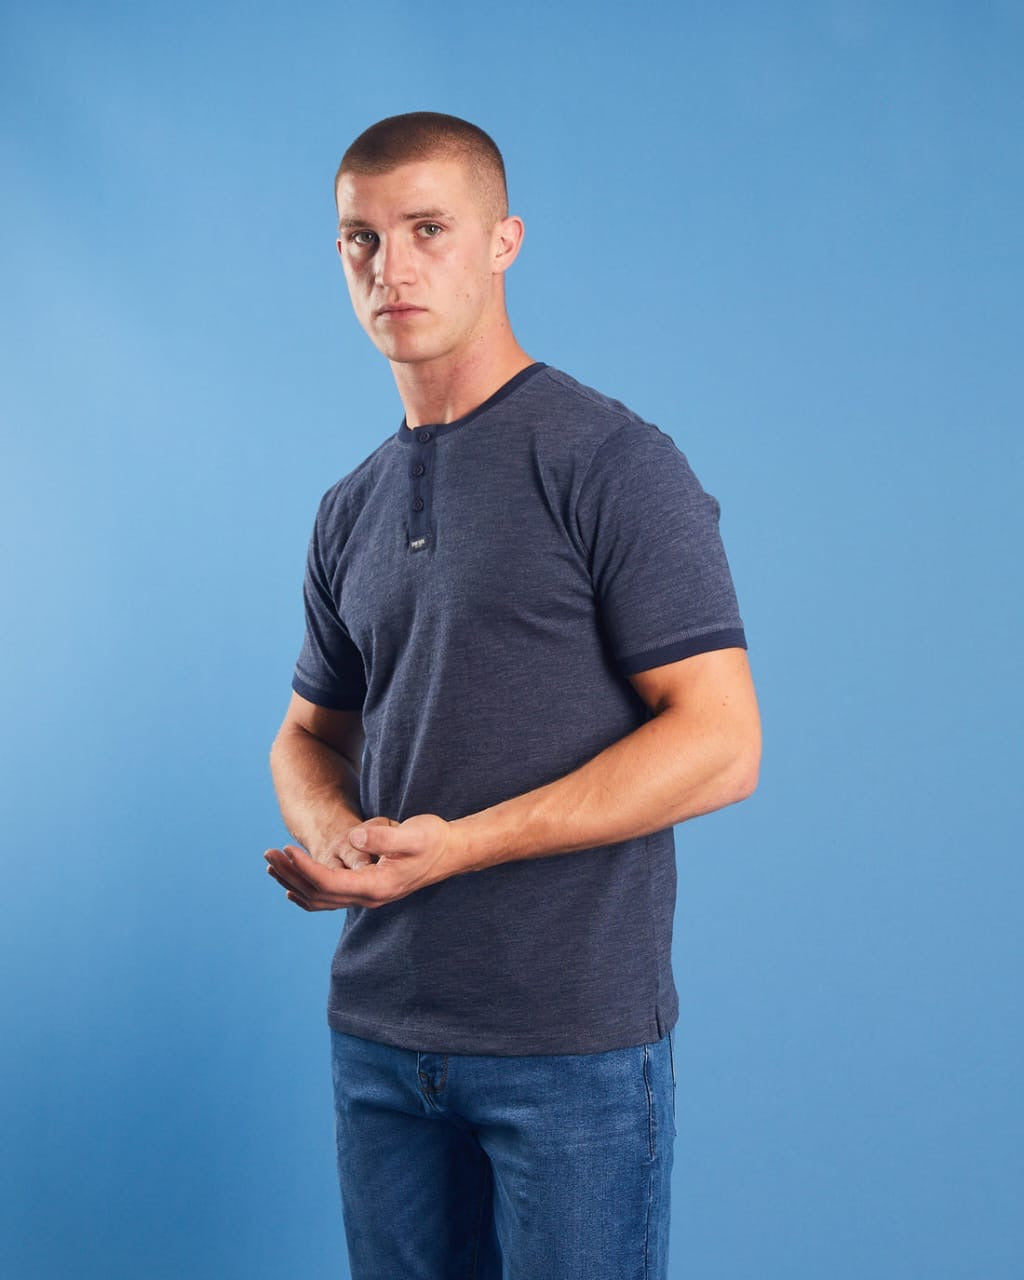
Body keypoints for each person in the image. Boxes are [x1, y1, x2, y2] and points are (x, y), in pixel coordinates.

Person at [265, 111, 761, 1280]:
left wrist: (460, 844)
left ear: (503, 242)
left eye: (427, 229)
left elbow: (722, 741)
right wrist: (339, 835)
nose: (390, 267)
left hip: (567, 1046)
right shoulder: (348, 506)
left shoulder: (611, 462)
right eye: (362, 239)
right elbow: (304, 735)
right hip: (380, 1040)